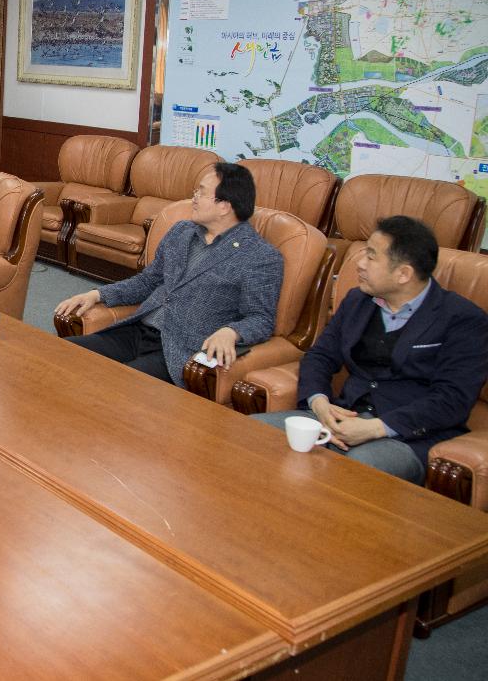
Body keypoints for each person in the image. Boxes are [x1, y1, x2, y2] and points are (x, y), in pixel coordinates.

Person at [253, 216, 488, 483]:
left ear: (404, 274)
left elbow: (452, 399)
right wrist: (319, 404)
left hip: (405, 438)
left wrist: (375, 428)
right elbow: (320, 356)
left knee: (352, 471)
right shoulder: (357, 300)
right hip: (340, 418)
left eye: (372, 257)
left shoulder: (462, 319)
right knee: (253, 435)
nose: (360, 264)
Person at [54, 162, 282, 385]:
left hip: (178, 349)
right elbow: (148, 281)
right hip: (138, 331)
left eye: (201, 192)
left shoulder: (259, 256)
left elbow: (260, 318)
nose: (194, 197)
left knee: (117, 385)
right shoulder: (181, 232)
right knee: (64, 355)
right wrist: (98, 295)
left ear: (224, 206)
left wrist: (231, 332)